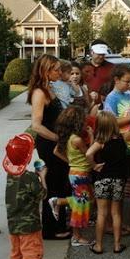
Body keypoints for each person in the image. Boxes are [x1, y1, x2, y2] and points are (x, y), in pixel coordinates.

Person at [86, 111, 130, 254]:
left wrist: (94, 166)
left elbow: (88, 153)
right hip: (118, 180)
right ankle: (117, 245)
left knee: (102, 213)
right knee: (116, 213)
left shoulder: (100, 142)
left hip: (102, 179)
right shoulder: (123, 138)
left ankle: (99, 245)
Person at [27, 54, 71, 240]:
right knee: (52, 184)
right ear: (45, 70)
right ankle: (51, 229)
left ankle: (59, 224)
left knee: (60, 183)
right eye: (56, 69)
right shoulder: (39, 93)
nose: (60, 72)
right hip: (48, 145)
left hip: (56, 144)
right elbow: (36, 125)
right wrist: (56, 138)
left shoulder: (50, 89)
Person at [3, 133, 47, 259]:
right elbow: (42, 194)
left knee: (15, 251)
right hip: (29, 224)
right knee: (29, 251)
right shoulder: (30, 177)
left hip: (13, 223)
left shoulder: (10, 176)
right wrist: (42, 177)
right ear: (28, 158)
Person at [49, 105, 95, 247]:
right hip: (80, 174)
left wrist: (71, 162)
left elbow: (56, 151)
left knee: (85, 200)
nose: (86, 123)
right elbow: (89, 154)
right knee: (79, 205)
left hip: (75, 172)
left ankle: (59, 202)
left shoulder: (69, 138)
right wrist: (92, 136)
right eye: (83, 120)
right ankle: (76, 237)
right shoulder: (77, 140)